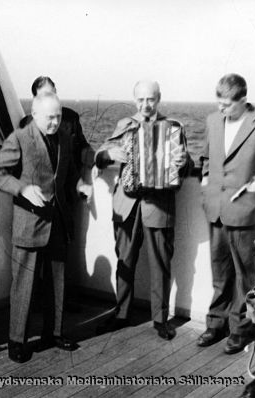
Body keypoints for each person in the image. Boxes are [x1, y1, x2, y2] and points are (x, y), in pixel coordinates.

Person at [0, 92, 81, 363]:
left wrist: (80, 185)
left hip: (58, 223)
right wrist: (23, 188)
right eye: (49, 118)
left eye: (58, 117)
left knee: (57, 283)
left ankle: (53, 333)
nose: (55, 123)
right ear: (35, 114)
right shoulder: (18, 138)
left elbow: (70, 174)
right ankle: (17, 341)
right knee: (24, 286)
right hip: (29, 224)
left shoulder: (65, 137)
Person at [94, 80, 191, 340]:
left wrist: (183, 161)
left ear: (159, 98)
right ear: (134, 99)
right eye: (140, 100)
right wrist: (109, 154)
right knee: (124, 260)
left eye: (150, 99)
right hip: (127, 205)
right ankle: (122, 313)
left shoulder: (173, 128)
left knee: (160, 263)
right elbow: (100, 154)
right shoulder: (124, 125)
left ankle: (160, 320)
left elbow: (186, 162)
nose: (145, 105)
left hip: (158, 205)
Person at [197, 73, 255, 354]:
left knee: (245, 275)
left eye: (226, 105)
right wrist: (206, 182)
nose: (221, 109)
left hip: (245, 210)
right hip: (216, 209)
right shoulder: (212, 121)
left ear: (243, 101)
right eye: (218, 103)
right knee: (219, 270)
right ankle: (215, 323)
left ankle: (240, 329)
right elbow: (206, 157)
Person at [19, 76, 94, 201]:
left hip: (65, 200)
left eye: (53, 94)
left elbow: (80, 150)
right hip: (36, 206)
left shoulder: (70, 119)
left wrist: (96, 161)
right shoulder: (26, 126)